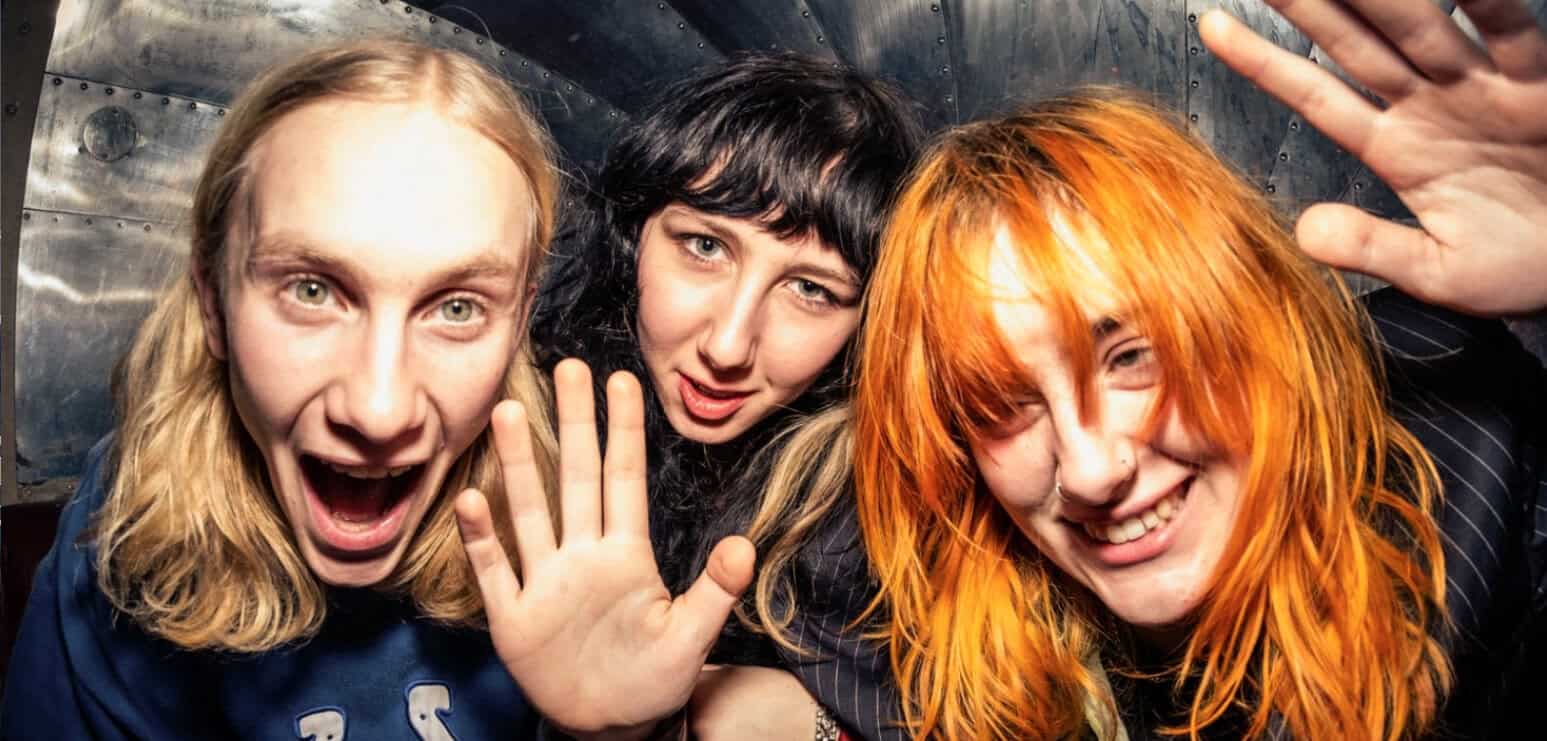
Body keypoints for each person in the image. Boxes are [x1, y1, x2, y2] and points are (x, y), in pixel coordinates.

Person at [849, 1, 1547, 738]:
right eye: (1001, 404)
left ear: (1254, 318)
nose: (1088, 471)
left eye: (1131, 356)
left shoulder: (1455, 416)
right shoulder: (945, 630)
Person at [0, 38, 734, 740]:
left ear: (517, 327)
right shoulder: (116, 526)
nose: (379, 411)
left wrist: (621, 735)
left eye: (457, 308)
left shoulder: (588, 534)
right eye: (312, 289)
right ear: (215, 304)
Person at [520, 52, 922, 739]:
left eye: (810, 289)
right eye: (704, 245)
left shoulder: (869, 521)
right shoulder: (515, 406)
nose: (729, 345)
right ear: (633, 231)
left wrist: (803, 722)